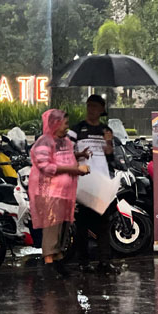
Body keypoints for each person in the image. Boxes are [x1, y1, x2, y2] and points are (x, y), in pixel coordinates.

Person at [29, 109, 89, 278]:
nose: (67, 127)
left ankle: (59, 260)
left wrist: (80, 155)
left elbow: (65, 157)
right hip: (50, 192)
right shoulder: (43, 142)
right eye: (65, 124)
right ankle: (49, 263)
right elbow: (47, 167)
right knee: (52, 228)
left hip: (66, 193)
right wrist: (75, 169)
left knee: (64, 227)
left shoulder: (66, 142)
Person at [68, 95, 119, 274]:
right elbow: (66, 154)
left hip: (101, 184)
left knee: (104, 224)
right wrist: (78, 156)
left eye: (95, 106)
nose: (91, 109)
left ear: (101, 109)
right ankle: (83, 262)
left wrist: (108, 144)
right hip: (83, 184)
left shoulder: (106, 130)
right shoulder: (76, 129)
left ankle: (104, 262)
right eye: (89, 106)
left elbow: (111, 157)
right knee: (82, 225)